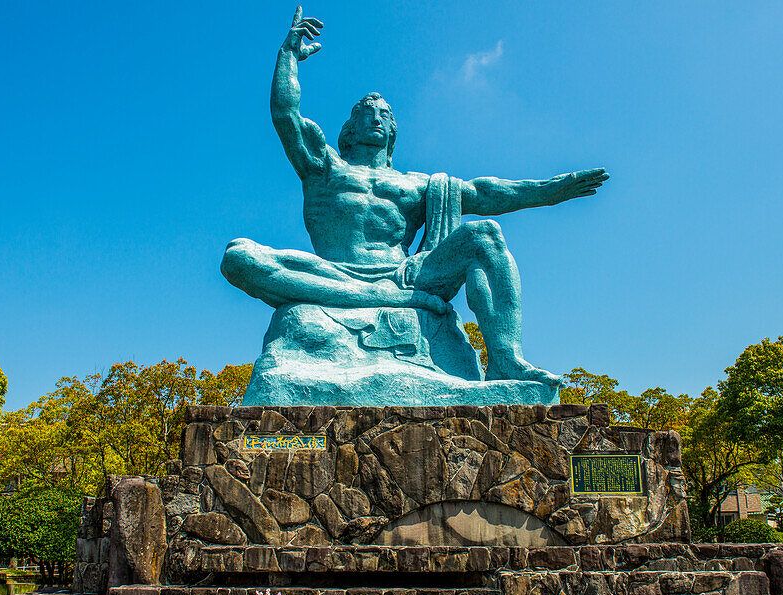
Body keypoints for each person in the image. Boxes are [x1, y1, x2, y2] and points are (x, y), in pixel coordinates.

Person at [222, 7, 608, 385]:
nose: (377, 118)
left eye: (386, 115)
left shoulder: (419, 184)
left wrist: (549, 191)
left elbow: (486, 193)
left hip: (405, 276)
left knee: (485, 235)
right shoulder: (325, 167)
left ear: (393, 132)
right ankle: (370, 296)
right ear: (349, 129)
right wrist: (288, 55)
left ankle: (506, 359)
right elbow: (286, 115)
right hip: (335, 270)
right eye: (366, 112)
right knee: (238, 257)